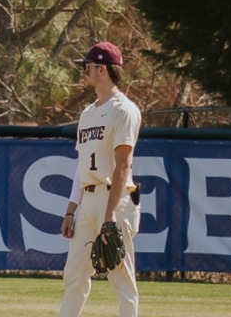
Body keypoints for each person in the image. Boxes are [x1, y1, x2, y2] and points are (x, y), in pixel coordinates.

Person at [59, 41, 142, 317]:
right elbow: (82, 165)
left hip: (115, 200)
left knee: (121, 277)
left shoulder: (124, 110)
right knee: (74, 275)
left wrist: (110, 215)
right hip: (89, 200)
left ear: (103, 69)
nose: (84, 71)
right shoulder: (88, 112)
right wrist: (71, 209)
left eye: (88, 66)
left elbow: (123, 165)